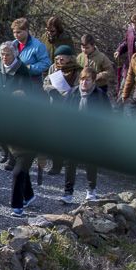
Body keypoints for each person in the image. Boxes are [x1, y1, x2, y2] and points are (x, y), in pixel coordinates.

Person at [61, 67, 110, 204]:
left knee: (91, 163)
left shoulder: (100, 96)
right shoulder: (72, 93)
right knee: (70, 163)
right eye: (82, 79)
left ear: (93, 81)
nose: (84, 82)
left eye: (87, 80)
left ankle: (91, 190)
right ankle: (68, 192)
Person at [43, 45, 81, 175]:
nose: (59, 61)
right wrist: (51, 89)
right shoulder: (53, 68)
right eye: (57, 58)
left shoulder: (78, 71)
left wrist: (67, 94)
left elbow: (79, 88)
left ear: (70, 58)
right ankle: (56, 166)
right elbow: (46, 82)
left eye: (62, 58)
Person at [10, 18, 51, 82]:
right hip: (15, 81)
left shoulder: (38, 46)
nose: (15, 35)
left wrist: (29, 68)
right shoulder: (12, 45)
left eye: (18, 32)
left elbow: (46, 63)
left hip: (32, 83)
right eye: (14, 32)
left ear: (26, 30)